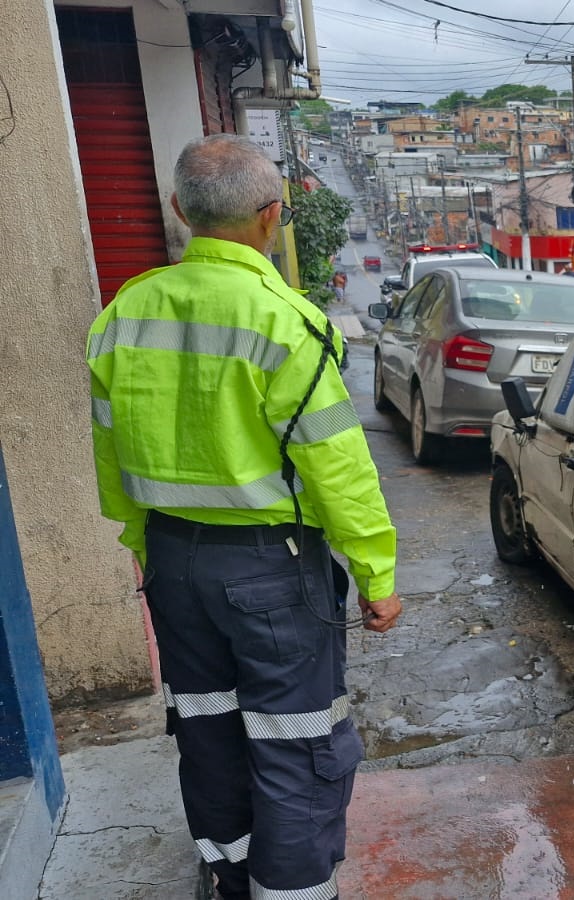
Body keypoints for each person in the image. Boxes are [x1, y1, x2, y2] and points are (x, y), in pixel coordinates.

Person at [85, 134, 401, 900]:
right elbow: (338, 466)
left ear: (177, 211)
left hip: (172, 563)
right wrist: (376, 573)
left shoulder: (123, 316)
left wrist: (145, 546)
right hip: (271, 569)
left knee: (210, 732)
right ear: (271, 217)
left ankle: (225, 874)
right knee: (294, 741)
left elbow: (111, 455)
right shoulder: (282, 321)